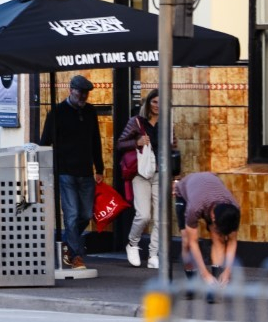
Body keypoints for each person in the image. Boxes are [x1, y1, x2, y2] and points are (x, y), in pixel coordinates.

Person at [41, 74, 104, 271]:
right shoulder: (57, 112)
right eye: (80, 92)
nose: (83, 96)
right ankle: (76, 256)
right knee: (72, 214)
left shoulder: (90, 111)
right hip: (65, 171)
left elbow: (95, 140)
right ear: (71, 90)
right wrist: (47, 169)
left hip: (85, 171)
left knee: (85, 214)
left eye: (86, 93)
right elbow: (44, 142)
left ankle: (68, 244)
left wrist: (99, 168)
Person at [117, 89, 175, 269]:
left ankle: (153, 254)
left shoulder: (167, 125)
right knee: (143, 215)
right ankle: (132, 243)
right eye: (155, 101)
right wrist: (137, 142)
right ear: (148, 103)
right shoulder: (136, 122)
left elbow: (173, 149)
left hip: (160, 175)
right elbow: (119, 144)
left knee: (160, 218)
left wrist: (175, 176)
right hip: (141, 174)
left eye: (161, 102)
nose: (158, 106)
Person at [175, 172, 241, 285]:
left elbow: (232, 241)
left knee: (219, 239)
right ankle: (192, 283)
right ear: (213, 218)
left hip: (209, 190)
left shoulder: (233, 208)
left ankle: (216, 283)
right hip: (186, 191)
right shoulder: (195, 208)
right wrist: (204, 273)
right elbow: (193, 242)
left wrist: (227, 271)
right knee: (187, 242)